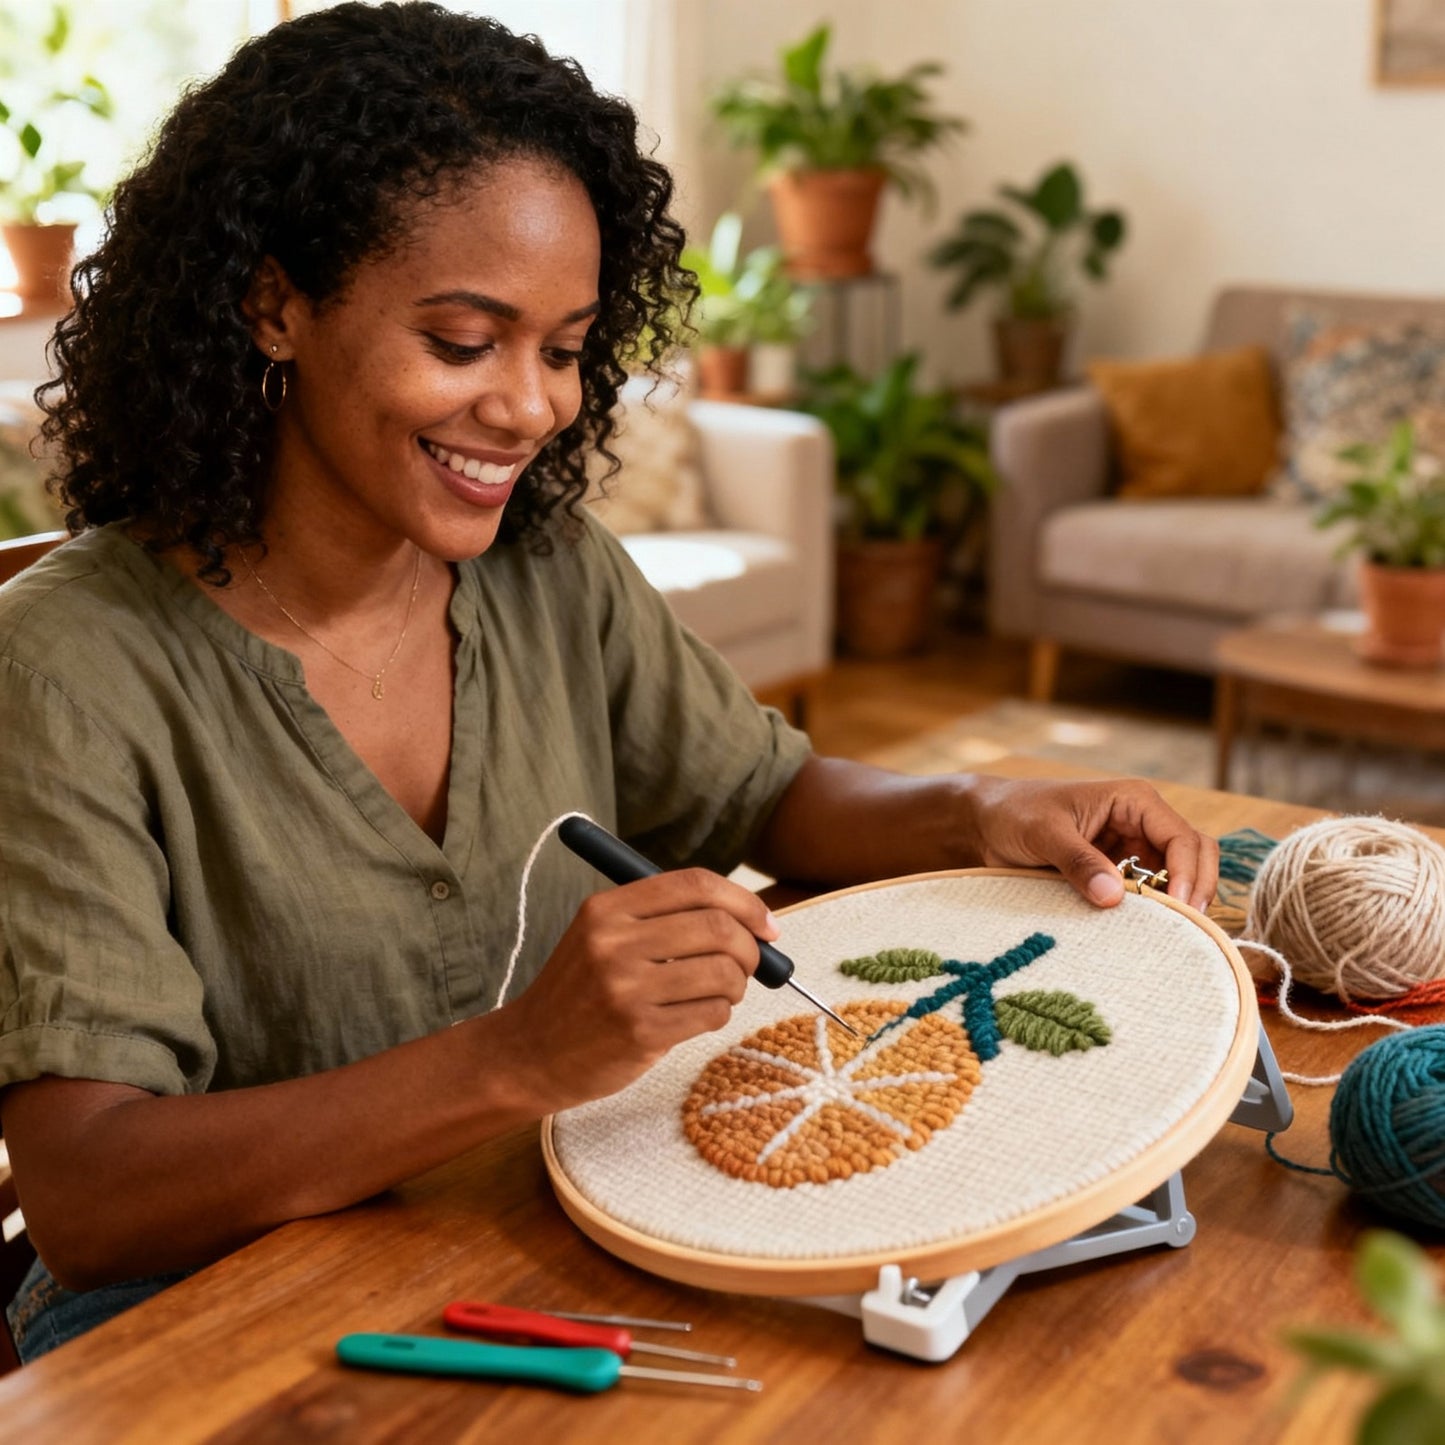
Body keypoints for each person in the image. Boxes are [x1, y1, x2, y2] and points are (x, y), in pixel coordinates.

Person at [0, 2, 1218, 1363]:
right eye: (464, 341)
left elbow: (769, 793)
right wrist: (515, 1058)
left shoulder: (544, 566)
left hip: (538, 1246)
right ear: (272, 304)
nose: (530, 407)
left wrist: (976, 808)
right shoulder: (67, 667)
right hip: (203, 1331)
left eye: (566, 347)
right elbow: (89, 1194)